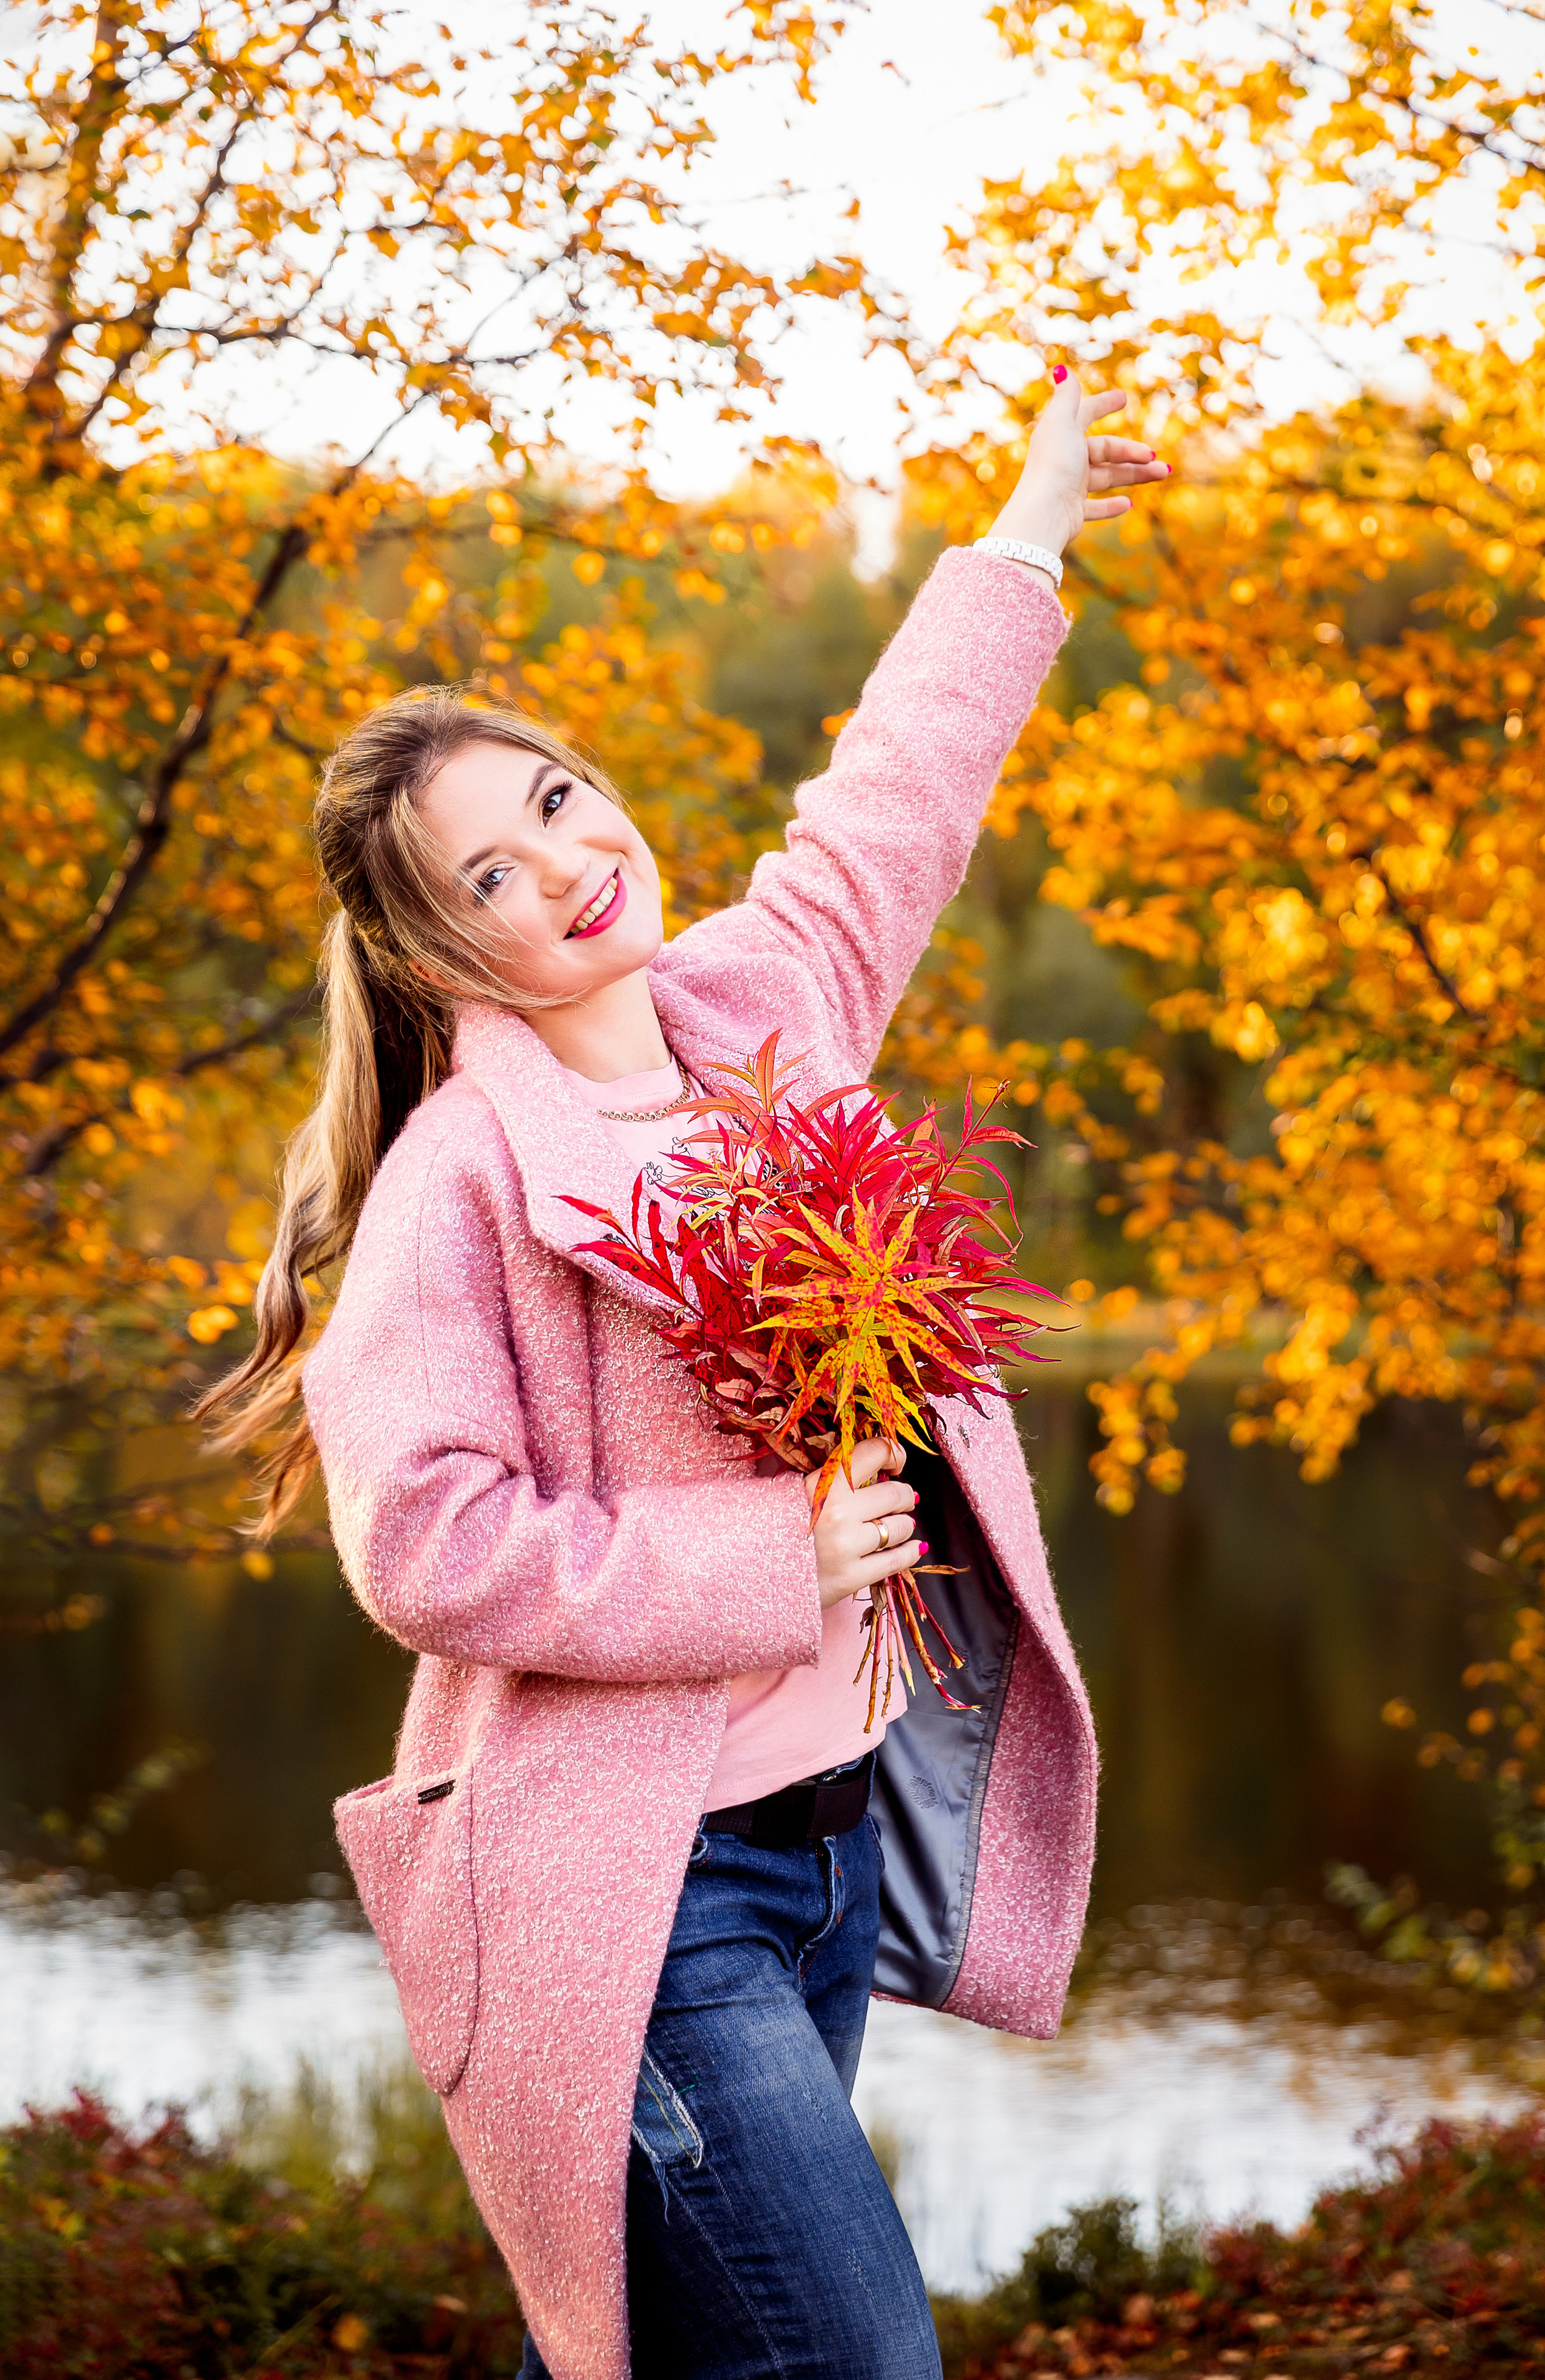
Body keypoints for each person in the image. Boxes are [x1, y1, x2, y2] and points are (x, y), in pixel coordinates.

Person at [200, 370, 1167, 2380]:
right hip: (636, 1893)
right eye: (490, 877)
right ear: (438, 961)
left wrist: (1028, 531)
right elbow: (423, 1540)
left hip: (823, 1835)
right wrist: (768, 1560)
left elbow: (894, 792)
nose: (564, 866)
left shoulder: (762, 1008)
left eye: (557, 802)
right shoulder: (461, 1181)